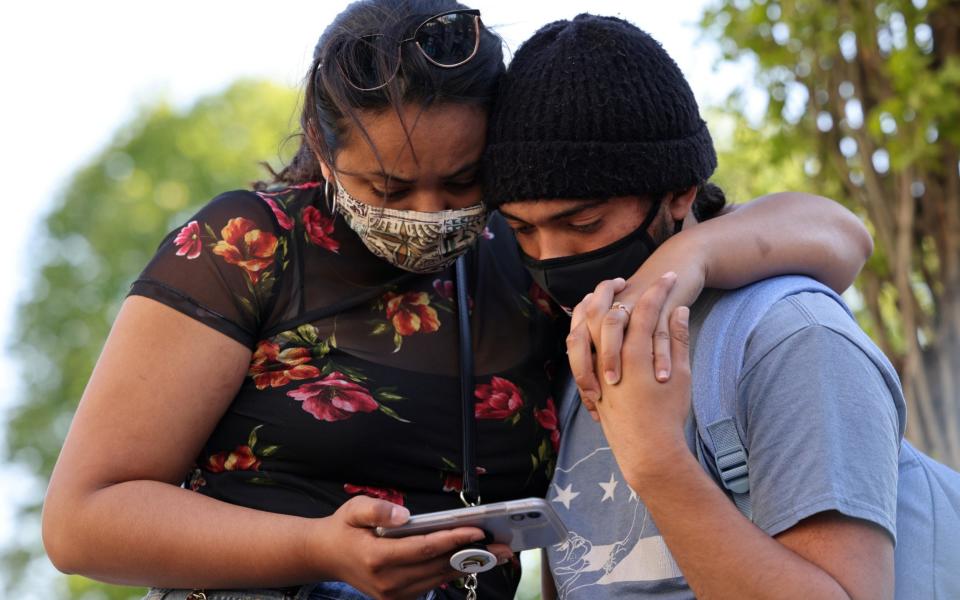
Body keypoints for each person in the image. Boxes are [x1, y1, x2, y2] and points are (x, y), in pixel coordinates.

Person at [41, 2, 873, 599]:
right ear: (324, 156)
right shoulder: (248, 246)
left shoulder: (527, 257)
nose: (428, 213)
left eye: (462, 180)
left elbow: (838, 235)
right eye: (388, 186)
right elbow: (83, 522)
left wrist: (688, 256)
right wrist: (316, 548)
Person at [482, 14, 900, 599]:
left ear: (679, 190)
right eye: (523, 231)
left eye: (583, 223)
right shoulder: (579, 340)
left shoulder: (791, 340)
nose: (551, 260)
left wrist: (655, 460)